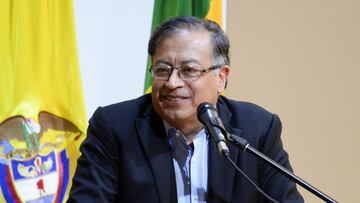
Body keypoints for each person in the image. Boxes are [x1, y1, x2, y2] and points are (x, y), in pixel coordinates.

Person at [67, 16, 304, 203]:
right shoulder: (114, 128)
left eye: (189, 70)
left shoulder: (257, 129)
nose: (172, 82)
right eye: (162, 70)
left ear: (221, 78)